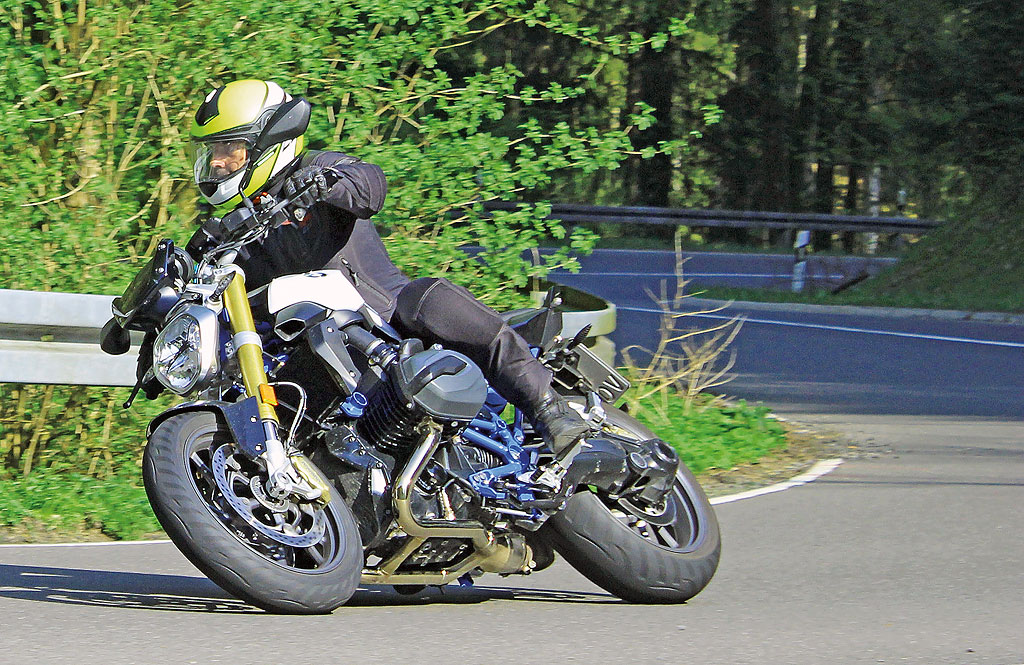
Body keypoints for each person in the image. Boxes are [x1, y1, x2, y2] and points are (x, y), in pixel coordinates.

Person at [188, 79, 588, 458]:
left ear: (266, 143)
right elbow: (190, 280)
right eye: (213, 150)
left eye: (230, 147)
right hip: (315, 347)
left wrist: (327, 183)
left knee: (428, 300)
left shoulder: (316, 170)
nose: (219, 162)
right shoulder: (227, 232)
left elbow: (369, 186)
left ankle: (549, 409)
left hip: (387, 318)